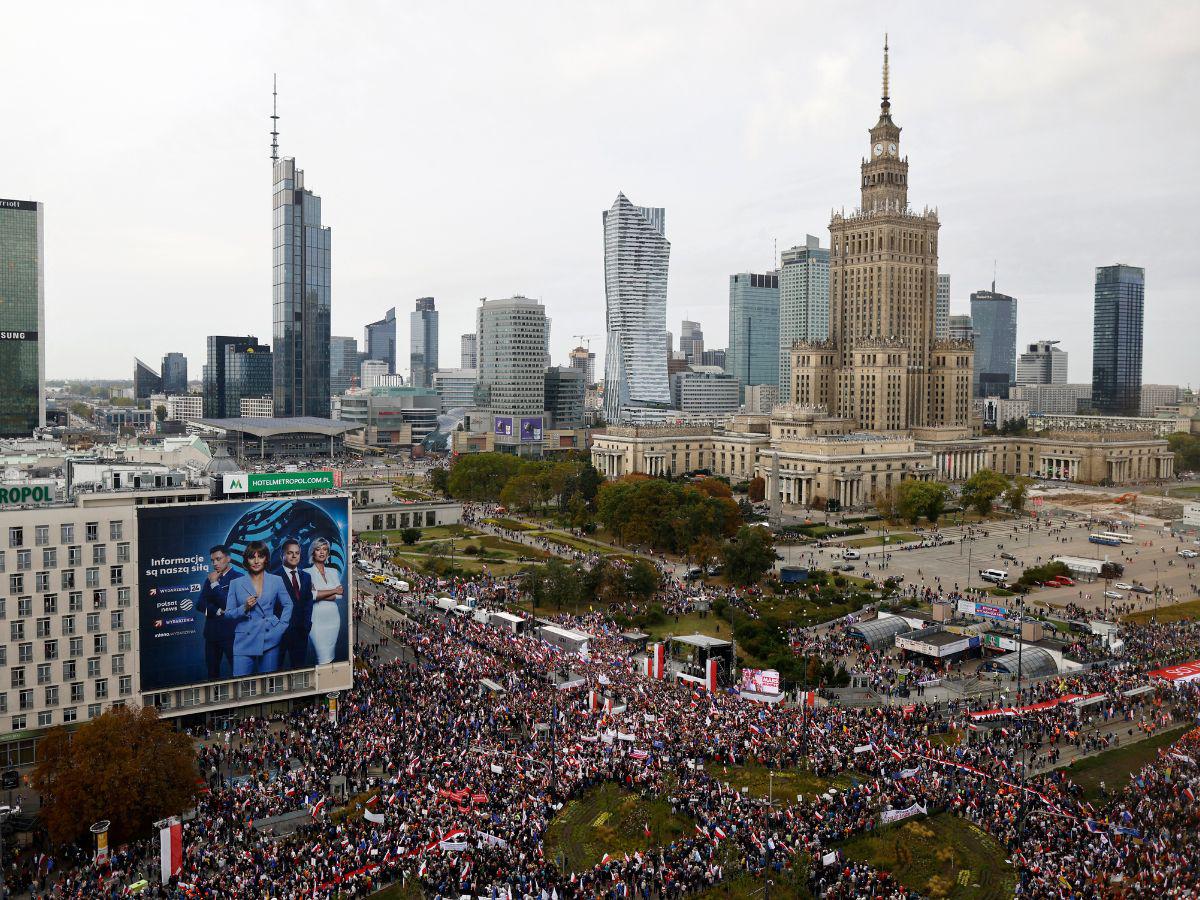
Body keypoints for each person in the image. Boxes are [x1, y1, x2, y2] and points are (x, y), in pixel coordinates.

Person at [225, 541, 292, 676]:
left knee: (268, 686)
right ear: (246, 560)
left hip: (270, 637)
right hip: (244, 640)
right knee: (240, 686)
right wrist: (244, 607)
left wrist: (281, 627)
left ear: (266, 558)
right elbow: (228, 614)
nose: (256, 561)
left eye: (260, 556)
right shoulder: (235, 583)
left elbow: (288, 604)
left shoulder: (276, 580)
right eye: (251, 557)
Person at [274, 538, 314, 670]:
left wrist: (307, 625)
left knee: (299, 671)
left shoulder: (306, 577)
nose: (294, 556)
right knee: (275, 670)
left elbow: (308, 603)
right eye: (290, 553)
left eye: (297, 553)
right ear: (282, 555)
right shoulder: (274, 577)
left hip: (301, 633)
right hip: (280, 635)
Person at [198, 544, 237, 679]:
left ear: (228, 558)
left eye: (218, 559)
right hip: (211, 635)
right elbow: (200, 604)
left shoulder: (238, 578)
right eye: (213, 560)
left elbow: (228, 604)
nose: (215, 563)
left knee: (238, 672)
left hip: (231, 635)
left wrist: (215, 584)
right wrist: (218, 611)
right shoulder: (209, 579)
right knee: (212, 675)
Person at [304, 537, 343, 665]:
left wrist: (320, 593)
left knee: (330, 657)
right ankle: (324, 682)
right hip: (317, 621)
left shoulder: (334, 571)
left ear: (328, 553)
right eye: (318, 549)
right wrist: (333, 590)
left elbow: (340, 596)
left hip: (333, 620)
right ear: (312, 552)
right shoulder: (305, 573)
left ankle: (329, 681)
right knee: (322, 658)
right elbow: (311, 596)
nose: (321, 552)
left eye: (325, 549)